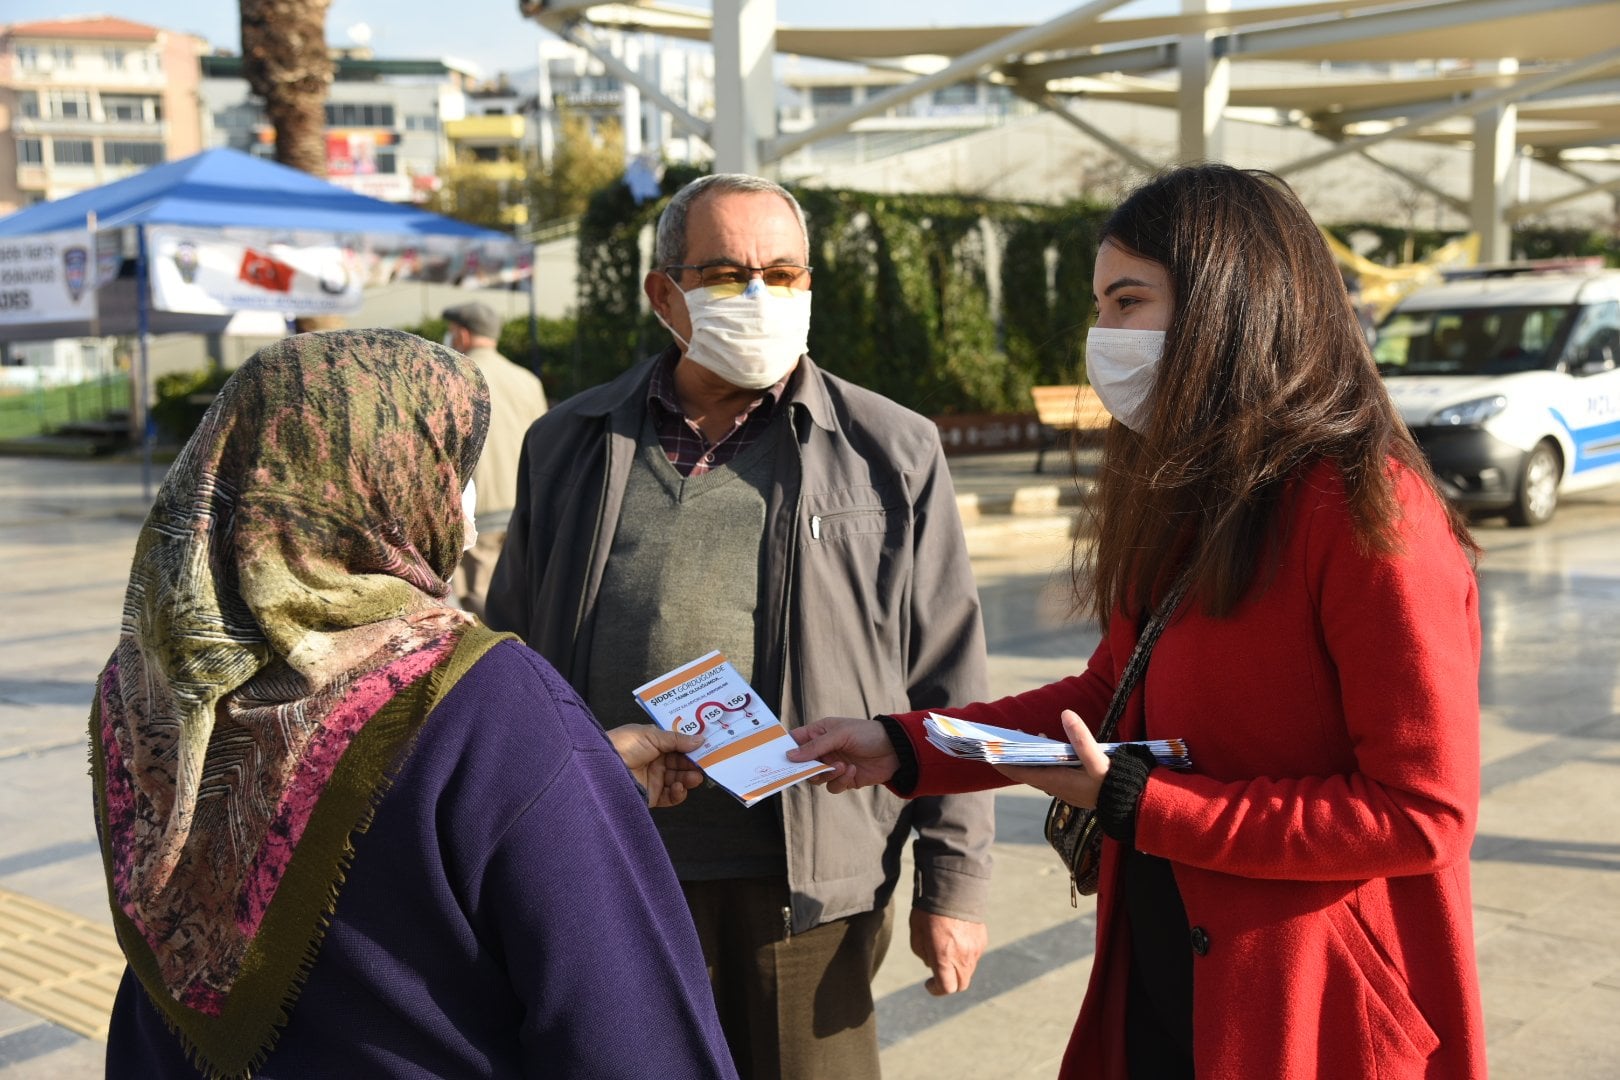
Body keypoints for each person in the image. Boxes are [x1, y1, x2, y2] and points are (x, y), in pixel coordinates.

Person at [788, 164, 1487, 1080]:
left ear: (1229, 305)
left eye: (1128, 302)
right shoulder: (1190, 492)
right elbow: (1110, 694)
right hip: (1167, 968)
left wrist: (1145, 808)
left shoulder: (1365, 513)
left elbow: (1421, 814)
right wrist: (909, 746)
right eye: (1100, 305)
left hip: (1308, 1008)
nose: (1103, 336)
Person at [92, 329, 737, 1080]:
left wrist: (579, 784)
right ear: (384, 478)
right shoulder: (484, 702)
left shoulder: (150, 680)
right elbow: (630, 1039)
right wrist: (556, 775)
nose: (461, 497)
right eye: (450, 464)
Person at [485, 173, 994, 1079]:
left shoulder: (890, 448)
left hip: (810, 884)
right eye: (725, 272)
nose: (760, 294)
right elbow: (511, 657)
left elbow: (951, 679)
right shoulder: (569, 442)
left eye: (785, 273)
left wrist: (953, 884)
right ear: (663, 294)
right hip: (613, 866)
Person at [442, 300, 548, 618]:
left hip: (480, 509)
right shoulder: (527, 380)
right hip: (522, 503)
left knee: (483, 604)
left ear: (461, 334)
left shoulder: (451, 377)